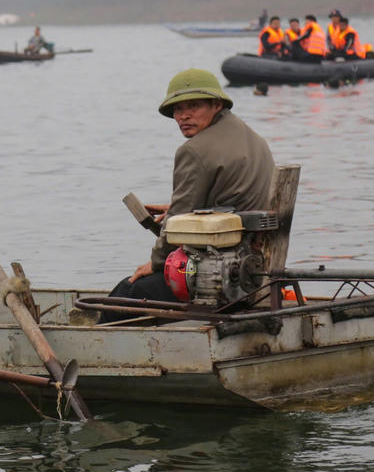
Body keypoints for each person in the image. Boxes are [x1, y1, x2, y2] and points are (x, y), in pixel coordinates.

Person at [101, 69, 275, 317]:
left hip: (220, 275)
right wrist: (175, 209)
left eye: (193, 106)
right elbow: (230, 199)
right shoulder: (254, 138)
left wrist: (156, 263)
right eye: (177, 109)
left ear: (216, 104)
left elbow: (175, 224)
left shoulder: (193, 150)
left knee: (128, 290)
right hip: (252, 268)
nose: (183, 116)